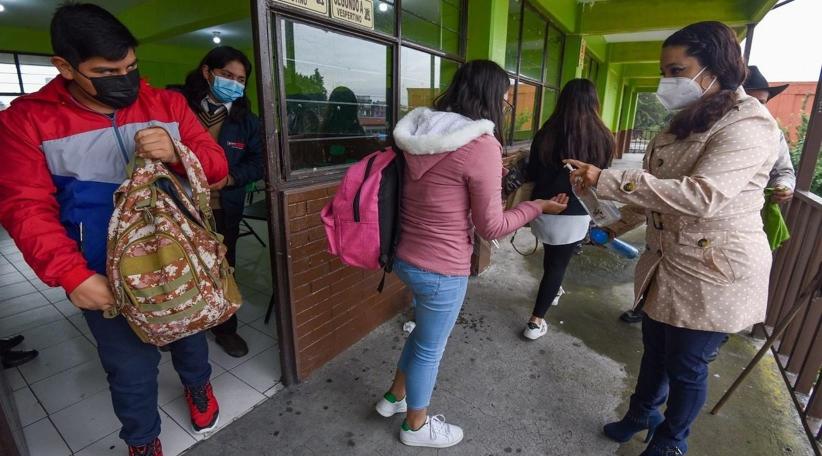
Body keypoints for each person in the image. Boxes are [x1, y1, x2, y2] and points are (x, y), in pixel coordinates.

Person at [0, 5, 228, 456]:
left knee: (189, 333)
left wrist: (180, 152)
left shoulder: (166, 103)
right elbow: (24, 207)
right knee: (128, 365)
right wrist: (71, 275)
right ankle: (142, 439)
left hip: (177, 254)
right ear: (65, 67)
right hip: (102, 268)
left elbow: (217, 169)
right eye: (105, 71)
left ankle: (198, 386)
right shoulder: (27, 120)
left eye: (130, 67)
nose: (124, 79)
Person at [566, 22, 779, 455]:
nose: (669, 81)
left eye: (678, 70)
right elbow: (657, 193)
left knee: (687, 365)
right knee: (656, 350)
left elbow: (703, 196)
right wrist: (610, 226)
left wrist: (608, 179)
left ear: (716, 67)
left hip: (713, 270)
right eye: (665, 71)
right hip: (668, 262)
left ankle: (671, 440)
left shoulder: (749, 124)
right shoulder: (688, 120)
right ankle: (641, 413)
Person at [373, 60, 569, 448]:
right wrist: (537, 207)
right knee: (431, 347)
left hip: (405, 256)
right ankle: (416, 426)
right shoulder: (480, 146)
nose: (508, 102)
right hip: (443, 267)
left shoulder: (416, 132)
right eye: (506, 96)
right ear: (494, 97)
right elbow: (491, 227)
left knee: (424, 337)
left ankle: (393, 398)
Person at [179, 46, 264, 358]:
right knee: (179, 269)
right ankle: (181, 327)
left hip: (221, 207)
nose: (234, 83)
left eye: (240, 79)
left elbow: (258, 162)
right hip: (178, 208)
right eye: (227, 75)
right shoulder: (178, 108)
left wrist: (230, 179)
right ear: (207, 72)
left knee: (223, 269)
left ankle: (226, 328)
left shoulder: (246, 121)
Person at [522, 79, 614, 340]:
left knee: (553, 255)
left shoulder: (547, 131)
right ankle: (534, 322)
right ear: (594, 101)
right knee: (557, 265)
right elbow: (602, 176)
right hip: (577, 210)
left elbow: (532, 172)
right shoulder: (603, 136)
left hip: (544, 208)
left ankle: (553, 290)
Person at [744, 65, 796, 202]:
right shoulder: (712, 127)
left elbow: (784, 172)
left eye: (761, 102)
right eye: (749, 100)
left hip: (749, 211)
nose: (755, 107)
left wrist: (783, 186)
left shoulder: (773, 134)